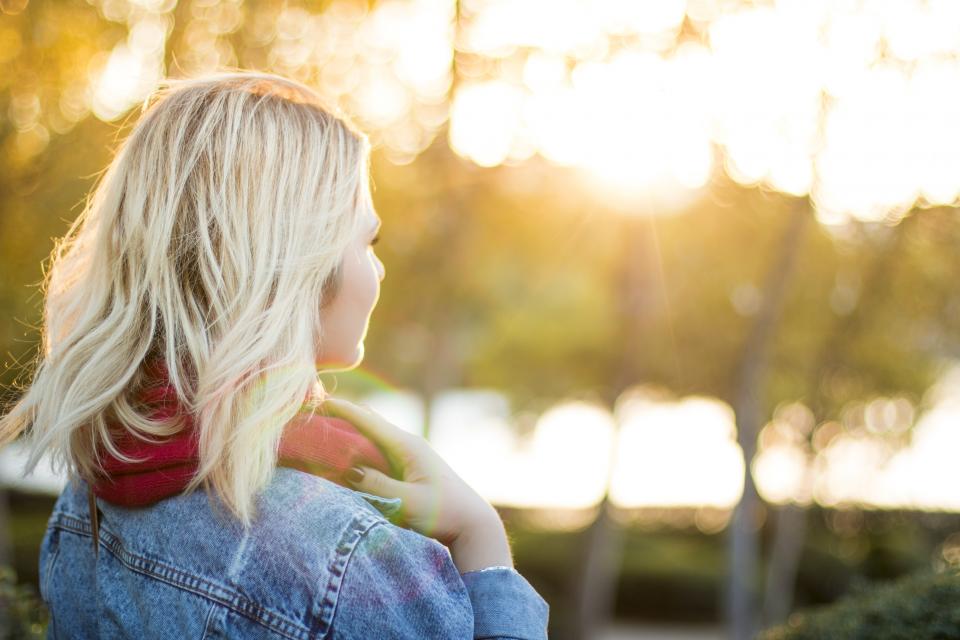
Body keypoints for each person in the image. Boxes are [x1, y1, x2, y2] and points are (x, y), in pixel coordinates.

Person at [0, 71, 549, 638]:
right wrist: (481, 538)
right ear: (297, 264)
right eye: (368, 242)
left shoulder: (96, 476)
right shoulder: (347, 557)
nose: (377, 268)